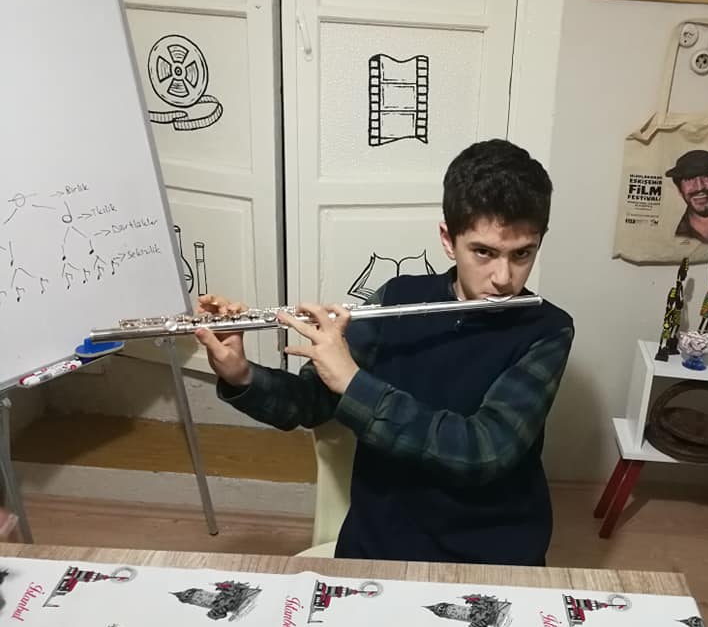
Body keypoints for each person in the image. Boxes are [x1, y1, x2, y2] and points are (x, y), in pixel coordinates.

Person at [195, 139, 574, 566]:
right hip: (381, 541)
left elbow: (482, 453)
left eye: (522, 254)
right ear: (448, 239)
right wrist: (241, 374)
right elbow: (310, 403)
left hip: (491, 550)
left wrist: (354, 383)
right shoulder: (396, 297)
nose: (503, 278)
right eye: (483, 252)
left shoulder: (548, 329)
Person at [665, 149, 708, 245]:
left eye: (707, 176)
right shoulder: (680, 237)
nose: (699, 187)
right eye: (689, 179)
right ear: (679, 189)